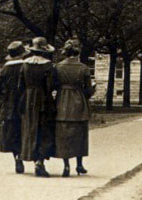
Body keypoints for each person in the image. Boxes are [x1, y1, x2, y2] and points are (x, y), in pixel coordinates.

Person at [53, 38, 95, 177]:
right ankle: (79, 164)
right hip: (78, 101)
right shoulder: (83, 68)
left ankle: (66, 166)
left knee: (63, 133)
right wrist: (90, 92)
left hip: (62, 101)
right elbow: (88, 90)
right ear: (77, 52)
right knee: (80, 133)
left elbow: (54, 85)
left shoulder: (58, 67)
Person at [18, 37, 57, 177]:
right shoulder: (48, 65)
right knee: (44, 129)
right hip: (42, 99)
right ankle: (40, 161)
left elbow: (20, 85)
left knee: (29, 128)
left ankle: (28, 156)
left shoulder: (25, 64)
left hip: (28, 99)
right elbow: (51, 85)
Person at [0, 41, 28, 174]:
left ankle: (17, 159)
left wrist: (4, 95)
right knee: (26, 130)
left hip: (9, 105)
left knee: (12, 132)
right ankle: (31, 157)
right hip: (25, 103)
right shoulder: (26, 66)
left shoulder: (5, 69)